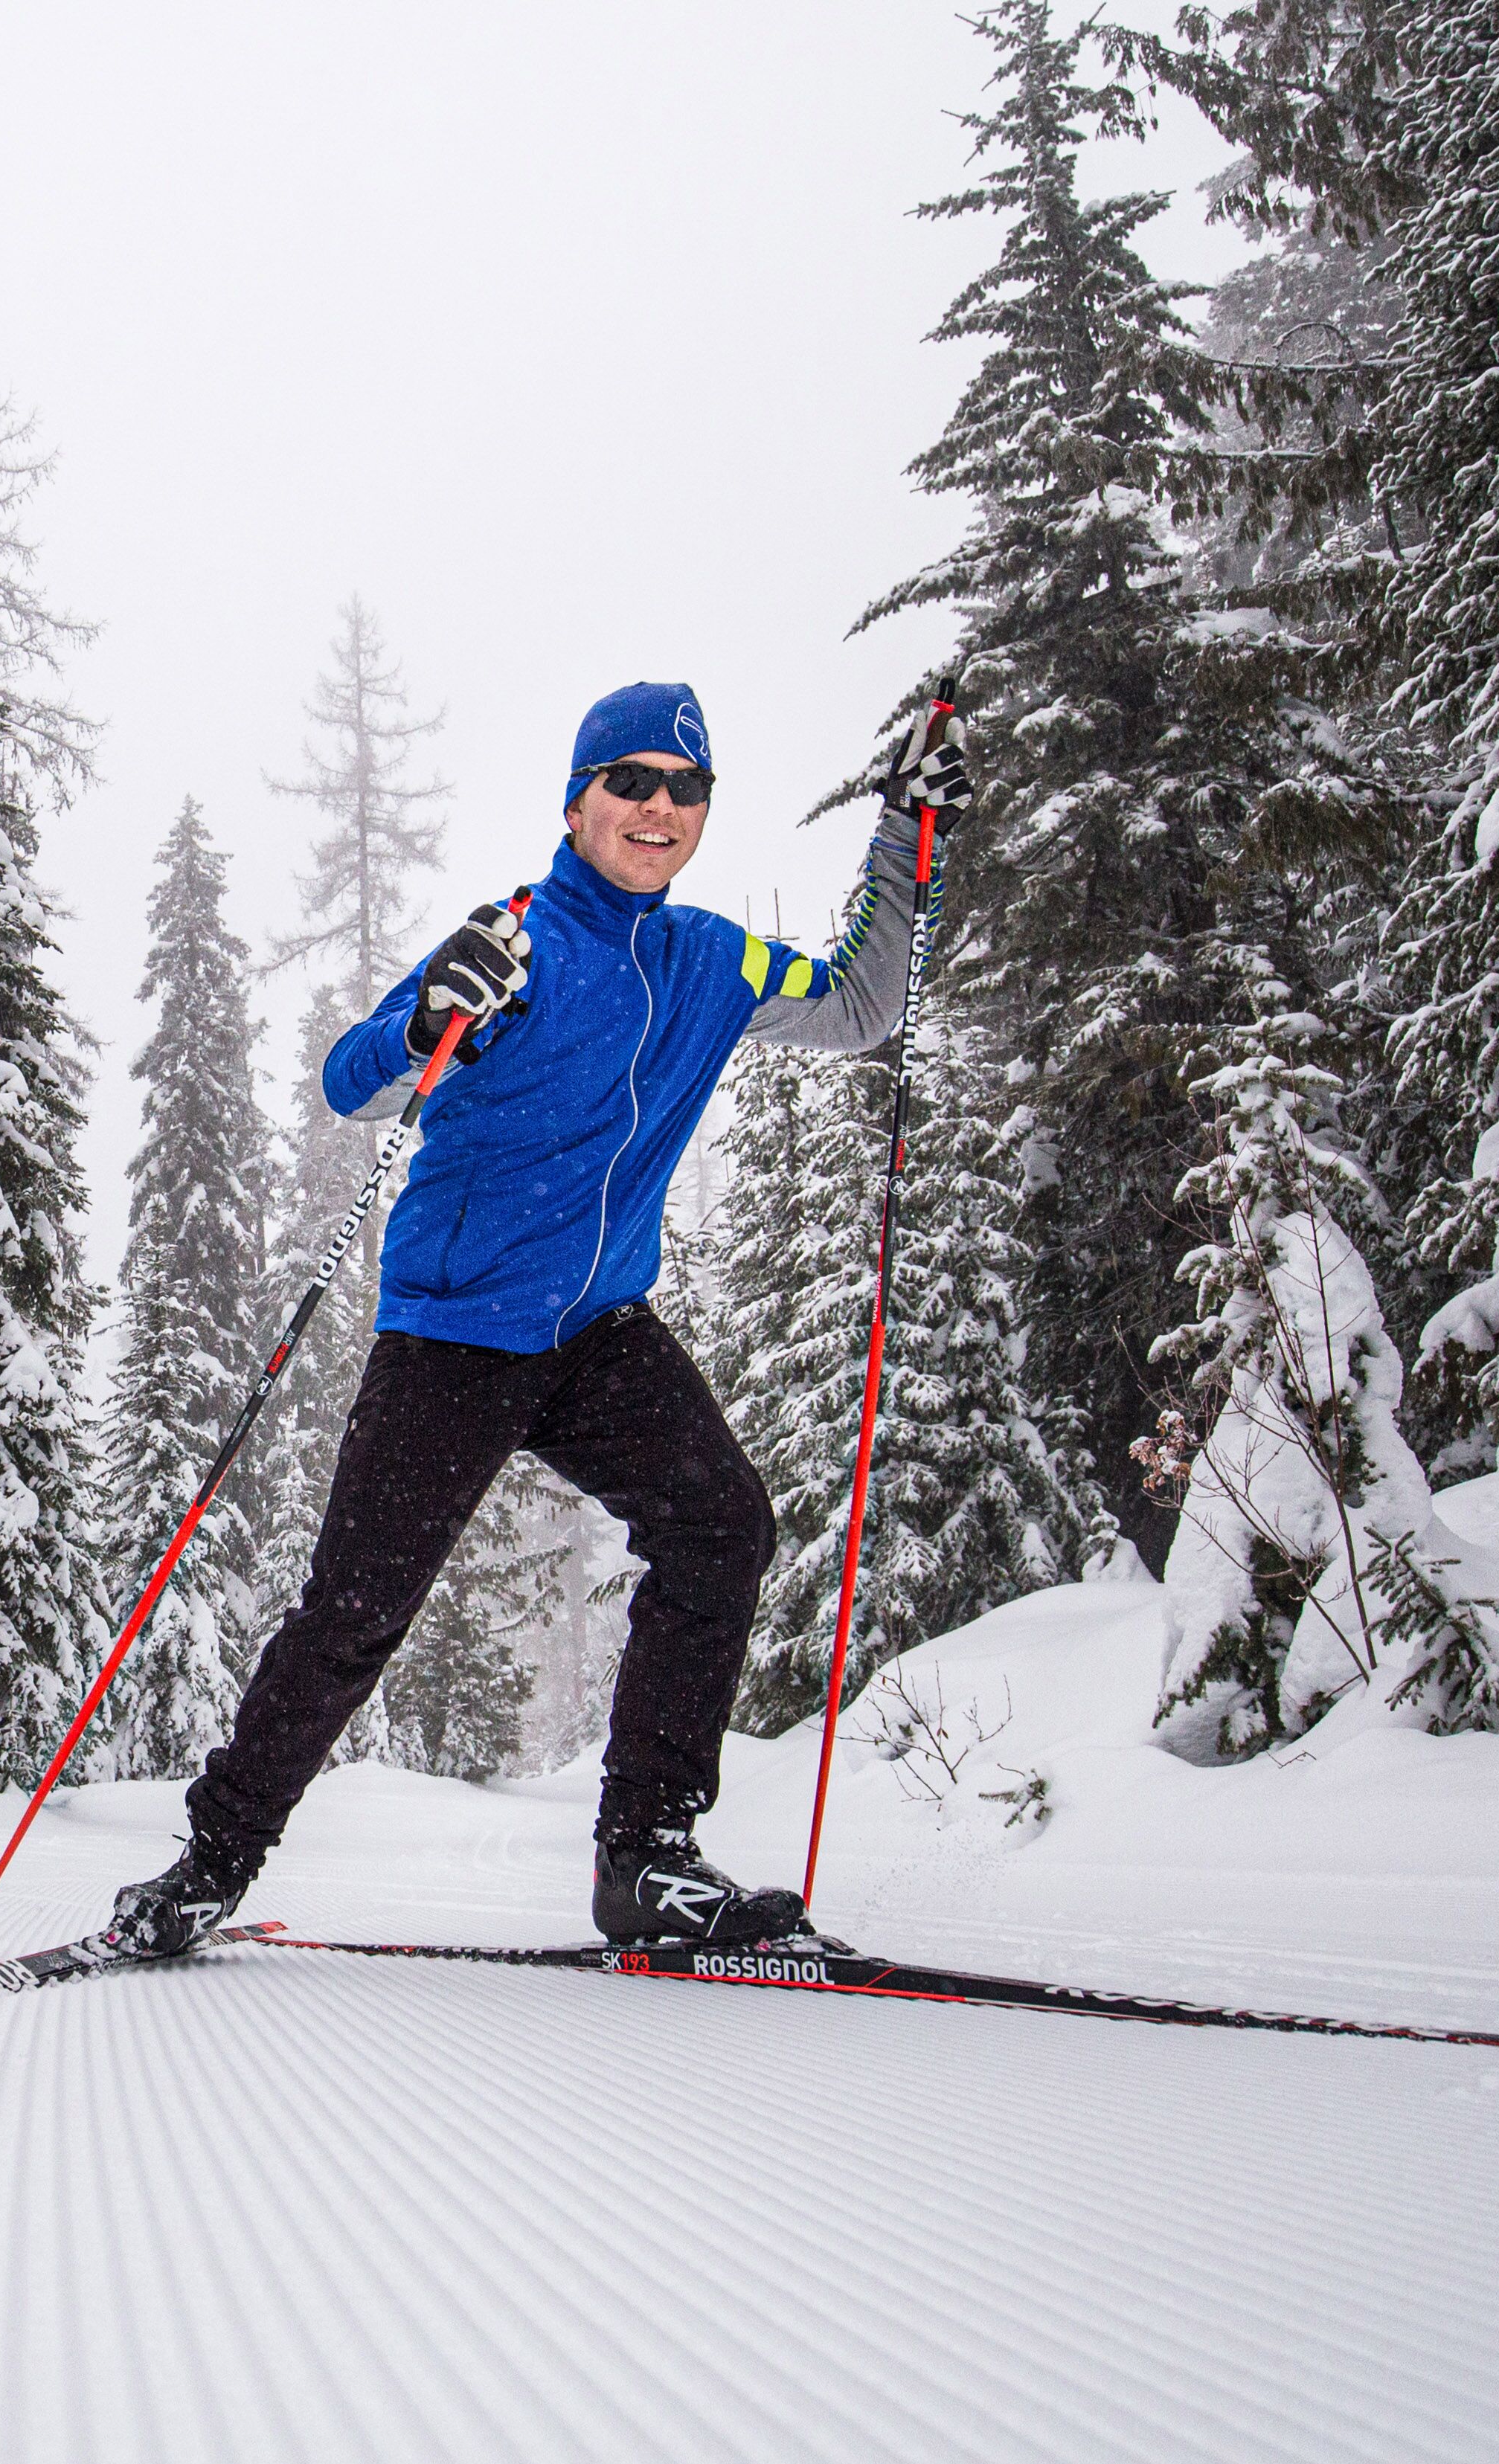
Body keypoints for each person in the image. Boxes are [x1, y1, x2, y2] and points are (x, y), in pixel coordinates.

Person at [113, 680, 968, 1955]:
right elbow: (357, 1078)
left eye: (686, 789)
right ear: (577, 803)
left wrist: (908, 831)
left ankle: (648, 1858)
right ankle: (209, 1863)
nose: (659, 807)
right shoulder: (516, 938)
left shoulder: (709, 960)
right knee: (357, 1606)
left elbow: (859, 1005)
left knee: (720, 1520)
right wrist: (424, 1015)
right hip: (455, 1332)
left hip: (595, 1334)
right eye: (630, 781)